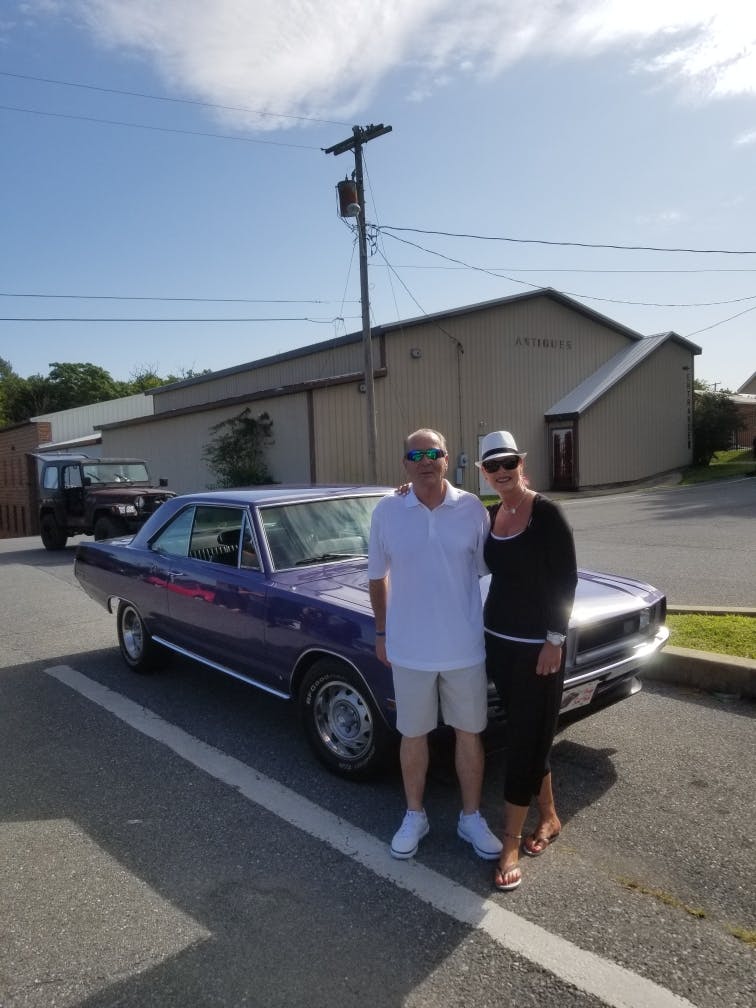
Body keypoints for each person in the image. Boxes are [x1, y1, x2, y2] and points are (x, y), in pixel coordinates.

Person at [368, 428, 502, 862]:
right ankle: (414, 815)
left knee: (470, 734)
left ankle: (470, 818)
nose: (425, 460)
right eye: (416, 454)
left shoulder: (472, 510)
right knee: (413, 735)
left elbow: (486, 573)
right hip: (408, 649)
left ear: (448, 459)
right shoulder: (387, 511)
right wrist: (383, 632)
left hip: (465, 646)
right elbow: (376, 578)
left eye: (434, 453)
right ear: (405, 463)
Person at [476, 430, 577, 892]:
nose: (501, 472)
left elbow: (566, 581)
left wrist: (555, 639)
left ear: (521, 462)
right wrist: (404, 494)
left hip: (539, 647)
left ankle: (510, 840)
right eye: (492, 466)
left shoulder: (546, 514)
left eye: (508, 463)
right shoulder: (491, 515)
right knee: (528, 733)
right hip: (497, 641)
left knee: (523, 739)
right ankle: (551, 816)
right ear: (483, 472)